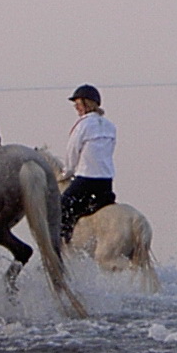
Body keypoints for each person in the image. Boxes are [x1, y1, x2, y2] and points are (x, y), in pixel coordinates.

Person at [59, 84, 117, 244]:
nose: (76, 108)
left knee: (60, 211)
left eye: (78, 104)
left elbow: (72, 152)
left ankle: (63, 244)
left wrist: (66, 173)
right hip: (106, 182)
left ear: (86, 104)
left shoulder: (82, 125)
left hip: (86, 180)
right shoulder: (110, 126)